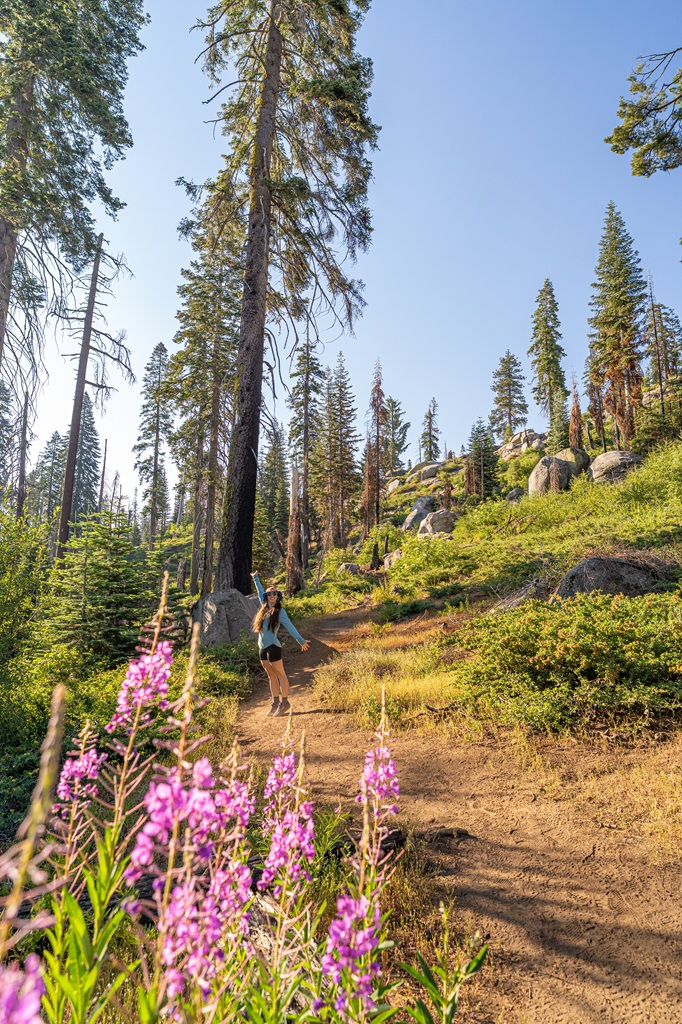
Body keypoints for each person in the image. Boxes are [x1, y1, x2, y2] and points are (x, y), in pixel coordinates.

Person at [251, 571, 310, 717]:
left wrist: (301, 640)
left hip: (273, 647)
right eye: (270, 595)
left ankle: (285, 702)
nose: (272, 596)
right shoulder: (264, 608)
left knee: (281, 674)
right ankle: (275, 702)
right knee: (271, 676)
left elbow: (290, 626)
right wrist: (255, 577)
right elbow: (259, 591)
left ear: (278, 597)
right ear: (266, 597)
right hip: (262, 647)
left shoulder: (280, 612)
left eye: (275, 595)